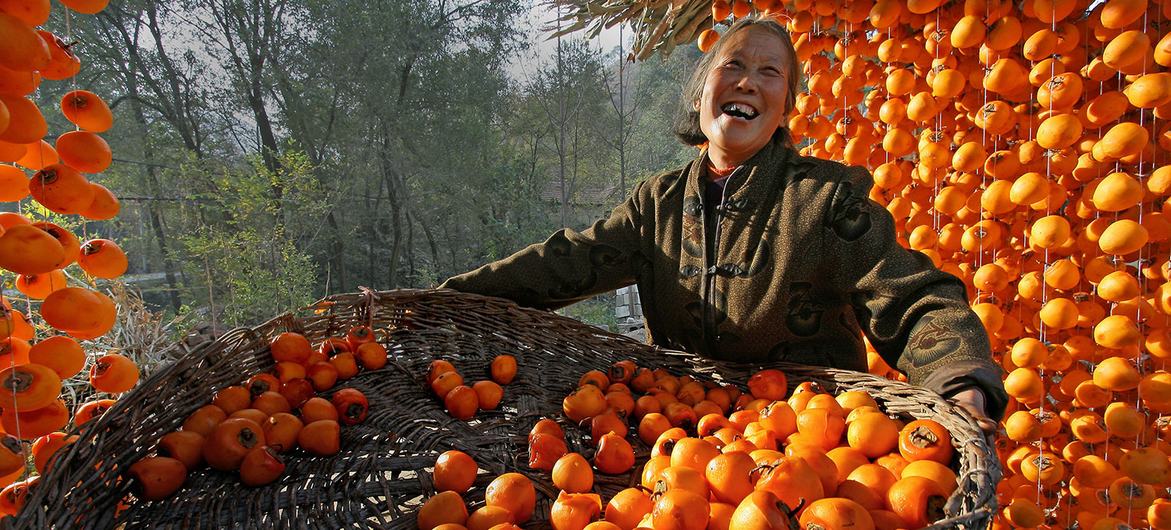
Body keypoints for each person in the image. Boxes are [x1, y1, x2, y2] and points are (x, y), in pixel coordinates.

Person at [441, 16, 1006, 431]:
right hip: (683, 438)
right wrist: (443, 301)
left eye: (769, 72)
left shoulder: (826, 200)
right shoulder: (656, 205)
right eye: (731, 64)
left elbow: (907, 296)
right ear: (702, 90)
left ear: (784, 108)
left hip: (812, 446)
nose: (746, 81)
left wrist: (959, 379)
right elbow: (561, 265)